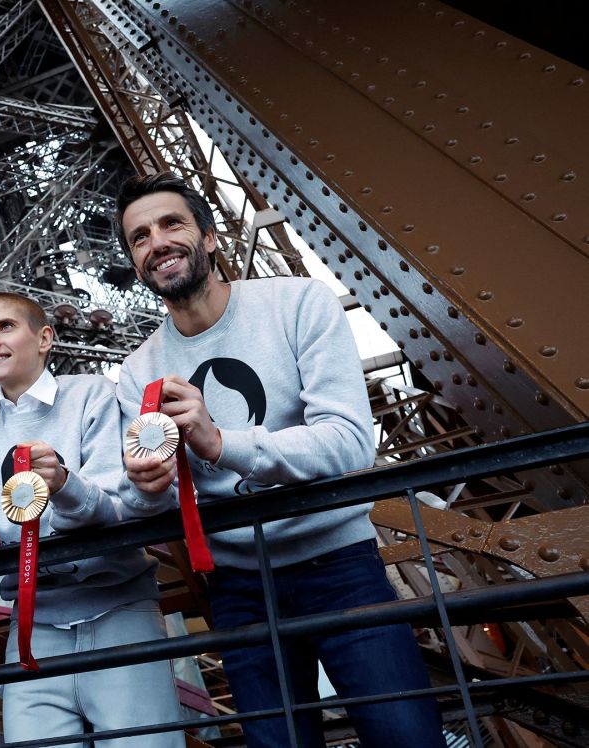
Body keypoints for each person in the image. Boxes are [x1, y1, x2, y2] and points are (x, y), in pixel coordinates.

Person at [114, 171, 445, 747]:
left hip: (339, 567)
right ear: (135, 260)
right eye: (139, 237)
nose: (157, 242)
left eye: (172, 224)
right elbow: (165, 499)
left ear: (211, 236)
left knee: (404, 735)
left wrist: (222, 444)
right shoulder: (136, 370)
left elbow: (347, 439)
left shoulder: (297, 302)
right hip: (238, 585)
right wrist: (149, 485)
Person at [0, 291, 183, 748]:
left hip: (119, 614)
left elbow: (117, 506)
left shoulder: (91, 393)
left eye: (5, 326)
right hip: (31, 629)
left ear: (45, 338)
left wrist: (64, 484)